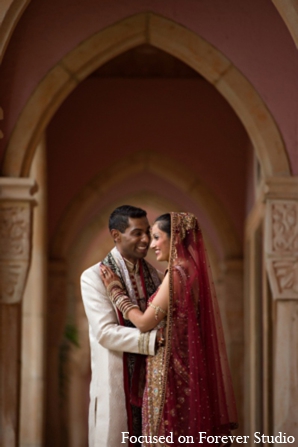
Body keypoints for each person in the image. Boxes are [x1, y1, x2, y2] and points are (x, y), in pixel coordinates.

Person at [100, 212, 238, 446]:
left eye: (155, 237)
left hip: (168, 374)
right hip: (181, 368)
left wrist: (116, 292)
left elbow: (144, 323)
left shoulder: (176, 274)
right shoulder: (191, 272)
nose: (151, 244)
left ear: (174, 239)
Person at [80, 205, 163, 447]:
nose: (146, 239)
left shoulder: (157, 276)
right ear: (116, 236)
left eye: (147, 232)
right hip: (116, 388)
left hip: (152, 387)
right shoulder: (94, 277)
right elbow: (105, 333)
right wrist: (154, 339)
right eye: (137, 233)